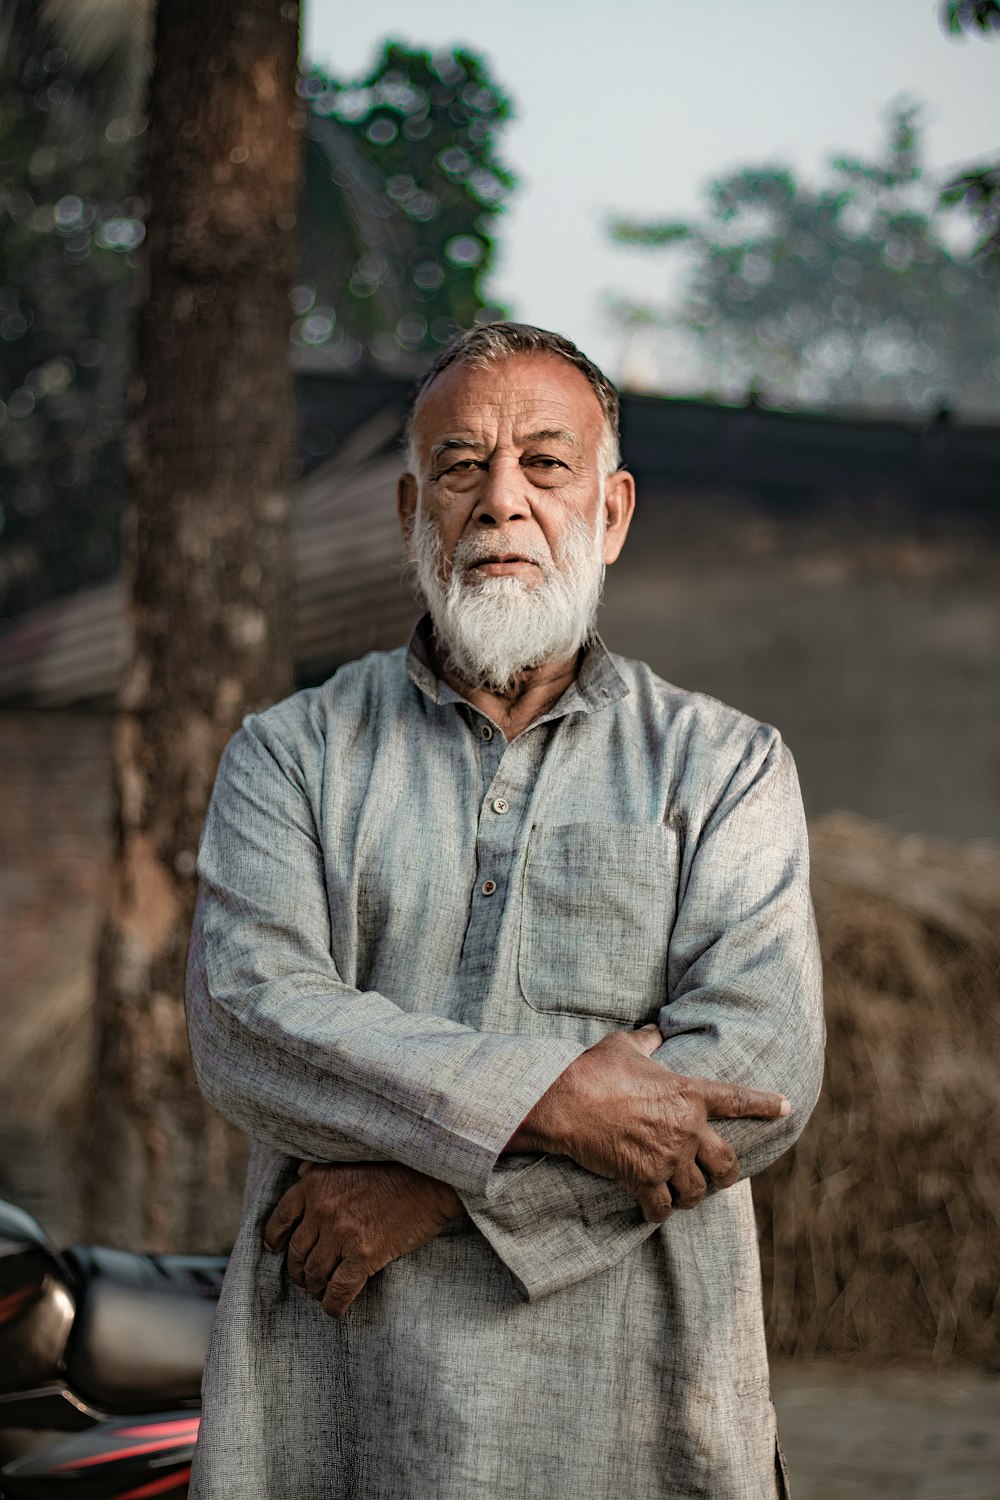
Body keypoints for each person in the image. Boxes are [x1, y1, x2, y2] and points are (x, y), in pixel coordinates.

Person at [185, 322, 825, 1500]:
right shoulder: (290, 755)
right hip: (345, 1401)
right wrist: (563, 1096)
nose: (501, 504)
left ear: (613, 512)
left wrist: (439, 1184)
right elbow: (251, 1020)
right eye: (461, 466)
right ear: (408, 508)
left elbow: (757, 1070)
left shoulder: (726, 765)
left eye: (545, 462)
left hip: (641, 1406)